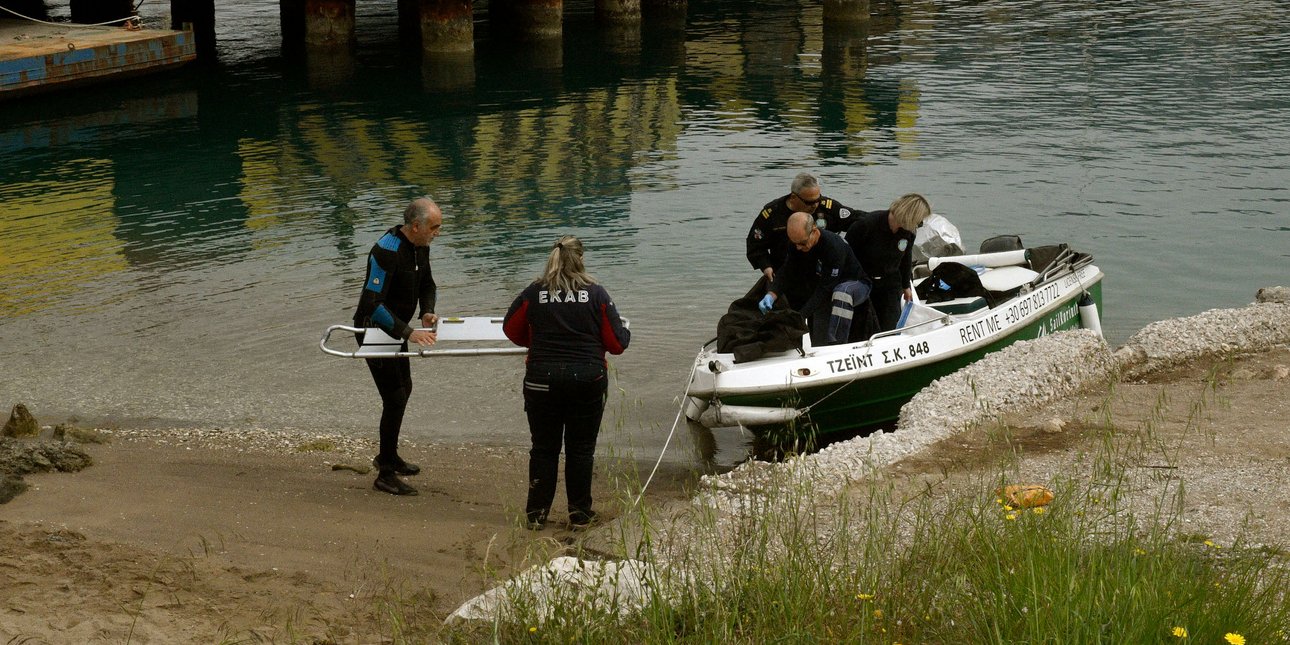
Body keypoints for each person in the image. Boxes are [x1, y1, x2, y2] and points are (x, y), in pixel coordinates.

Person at [502, 236, 631, 530]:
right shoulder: (596, 293)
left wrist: (535, 342)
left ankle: (536, 515)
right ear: (581, 259)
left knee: (543, 448)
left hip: (541, 379)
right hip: (587, 379)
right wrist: (623, 333)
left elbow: (510, 329)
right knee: (581, 449)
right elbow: (617, 344)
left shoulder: (534, 292)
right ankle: (580, 515)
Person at [352, 197, 442, 496]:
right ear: (416, 226)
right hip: (373, 329)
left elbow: (427, 284)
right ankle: (385, 475)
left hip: (396, 330)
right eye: (434, 227)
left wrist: (427, 312)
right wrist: (408, 333)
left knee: (404, 389)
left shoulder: (420, 246)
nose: (438, 233)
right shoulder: (386, 251)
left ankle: (388, 456)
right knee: (394, 397)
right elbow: (371, 302)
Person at [759, 212, 871, 346]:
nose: (798, 247)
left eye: (802, 243)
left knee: (841, 293)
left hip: (856, 284)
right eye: (795, 243)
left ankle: (838, 343)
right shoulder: (797, 243)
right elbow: (788, 270)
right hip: (827, 284)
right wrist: (772, 294)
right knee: (818, 329)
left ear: (814, 231)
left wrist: (800, 316)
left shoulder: (833, 247)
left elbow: (826, 288)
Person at [746, 172, 861, 284]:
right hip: (785, 273)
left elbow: (857, 221)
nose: (815, 205)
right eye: (809, 202)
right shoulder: (773, 213)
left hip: (821, 272)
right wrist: (766, 266)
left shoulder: (827, 208)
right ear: (793, 197)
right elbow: (755, 245)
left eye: (818, 200)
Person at [845, 193, 932, 332]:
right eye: (918, 221)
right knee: (865, 325)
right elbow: (847, 253)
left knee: (890, 324)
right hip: (863, 280)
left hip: (890, 281)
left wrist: (906, 286)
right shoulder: (867, 225)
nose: (918, 225)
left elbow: (906, 258)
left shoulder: (908, 232)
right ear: (909, 216)